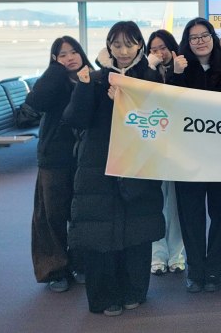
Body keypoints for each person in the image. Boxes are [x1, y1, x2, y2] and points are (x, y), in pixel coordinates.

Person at [62, 21, 165, 316]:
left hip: (137, 162)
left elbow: (161, 120)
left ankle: (134, 290)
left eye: (129, 44)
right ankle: (104, 296)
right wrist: (84, 87)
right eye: (116, 45)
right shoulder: (94, 78)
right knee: (99, 232)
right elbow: (75, 119)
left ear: (140, 46)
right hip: (98, 164)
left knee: (137, 231)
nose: (123, 51)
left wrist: (128, 103)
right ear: (108, 46)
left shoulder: (151, 77)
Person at [170, 18, 221, 294]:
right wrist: (176, 75)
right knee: (191, 215)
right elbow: (171, 106)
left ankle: (214, 270)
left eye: (204, 36)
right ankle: (195, 269)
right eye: (194, 37)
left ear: (213, 37)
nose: (200, 41)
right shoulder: (179, 68)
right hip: (187, 154)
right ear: (187, 42)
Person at [26, 36, 94, 293]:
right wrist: (56, 70)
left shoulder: (91, 78)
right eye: (62, 54)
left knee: (81, 213)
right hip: (54, 157)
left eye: (74, 52)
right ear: (54, 59)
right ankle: (55, 269)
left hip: (85, 157)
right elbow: (35, 102)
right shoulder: (53, 81)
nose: (69, 58)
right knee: (51, 215)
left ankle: (80, 262)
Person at [146, 30, 186, 275]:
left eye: (163, 47)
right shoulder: (145, 72)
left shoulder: (183, 68)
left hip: (179, 146)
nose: (159, 53)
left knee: (176, 203)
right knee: (156, 201)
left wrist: (177, 73)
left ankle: (177, 254)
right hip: (152, 145)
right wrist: (150, 69)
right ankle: (157, 254)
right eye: (154, 49)